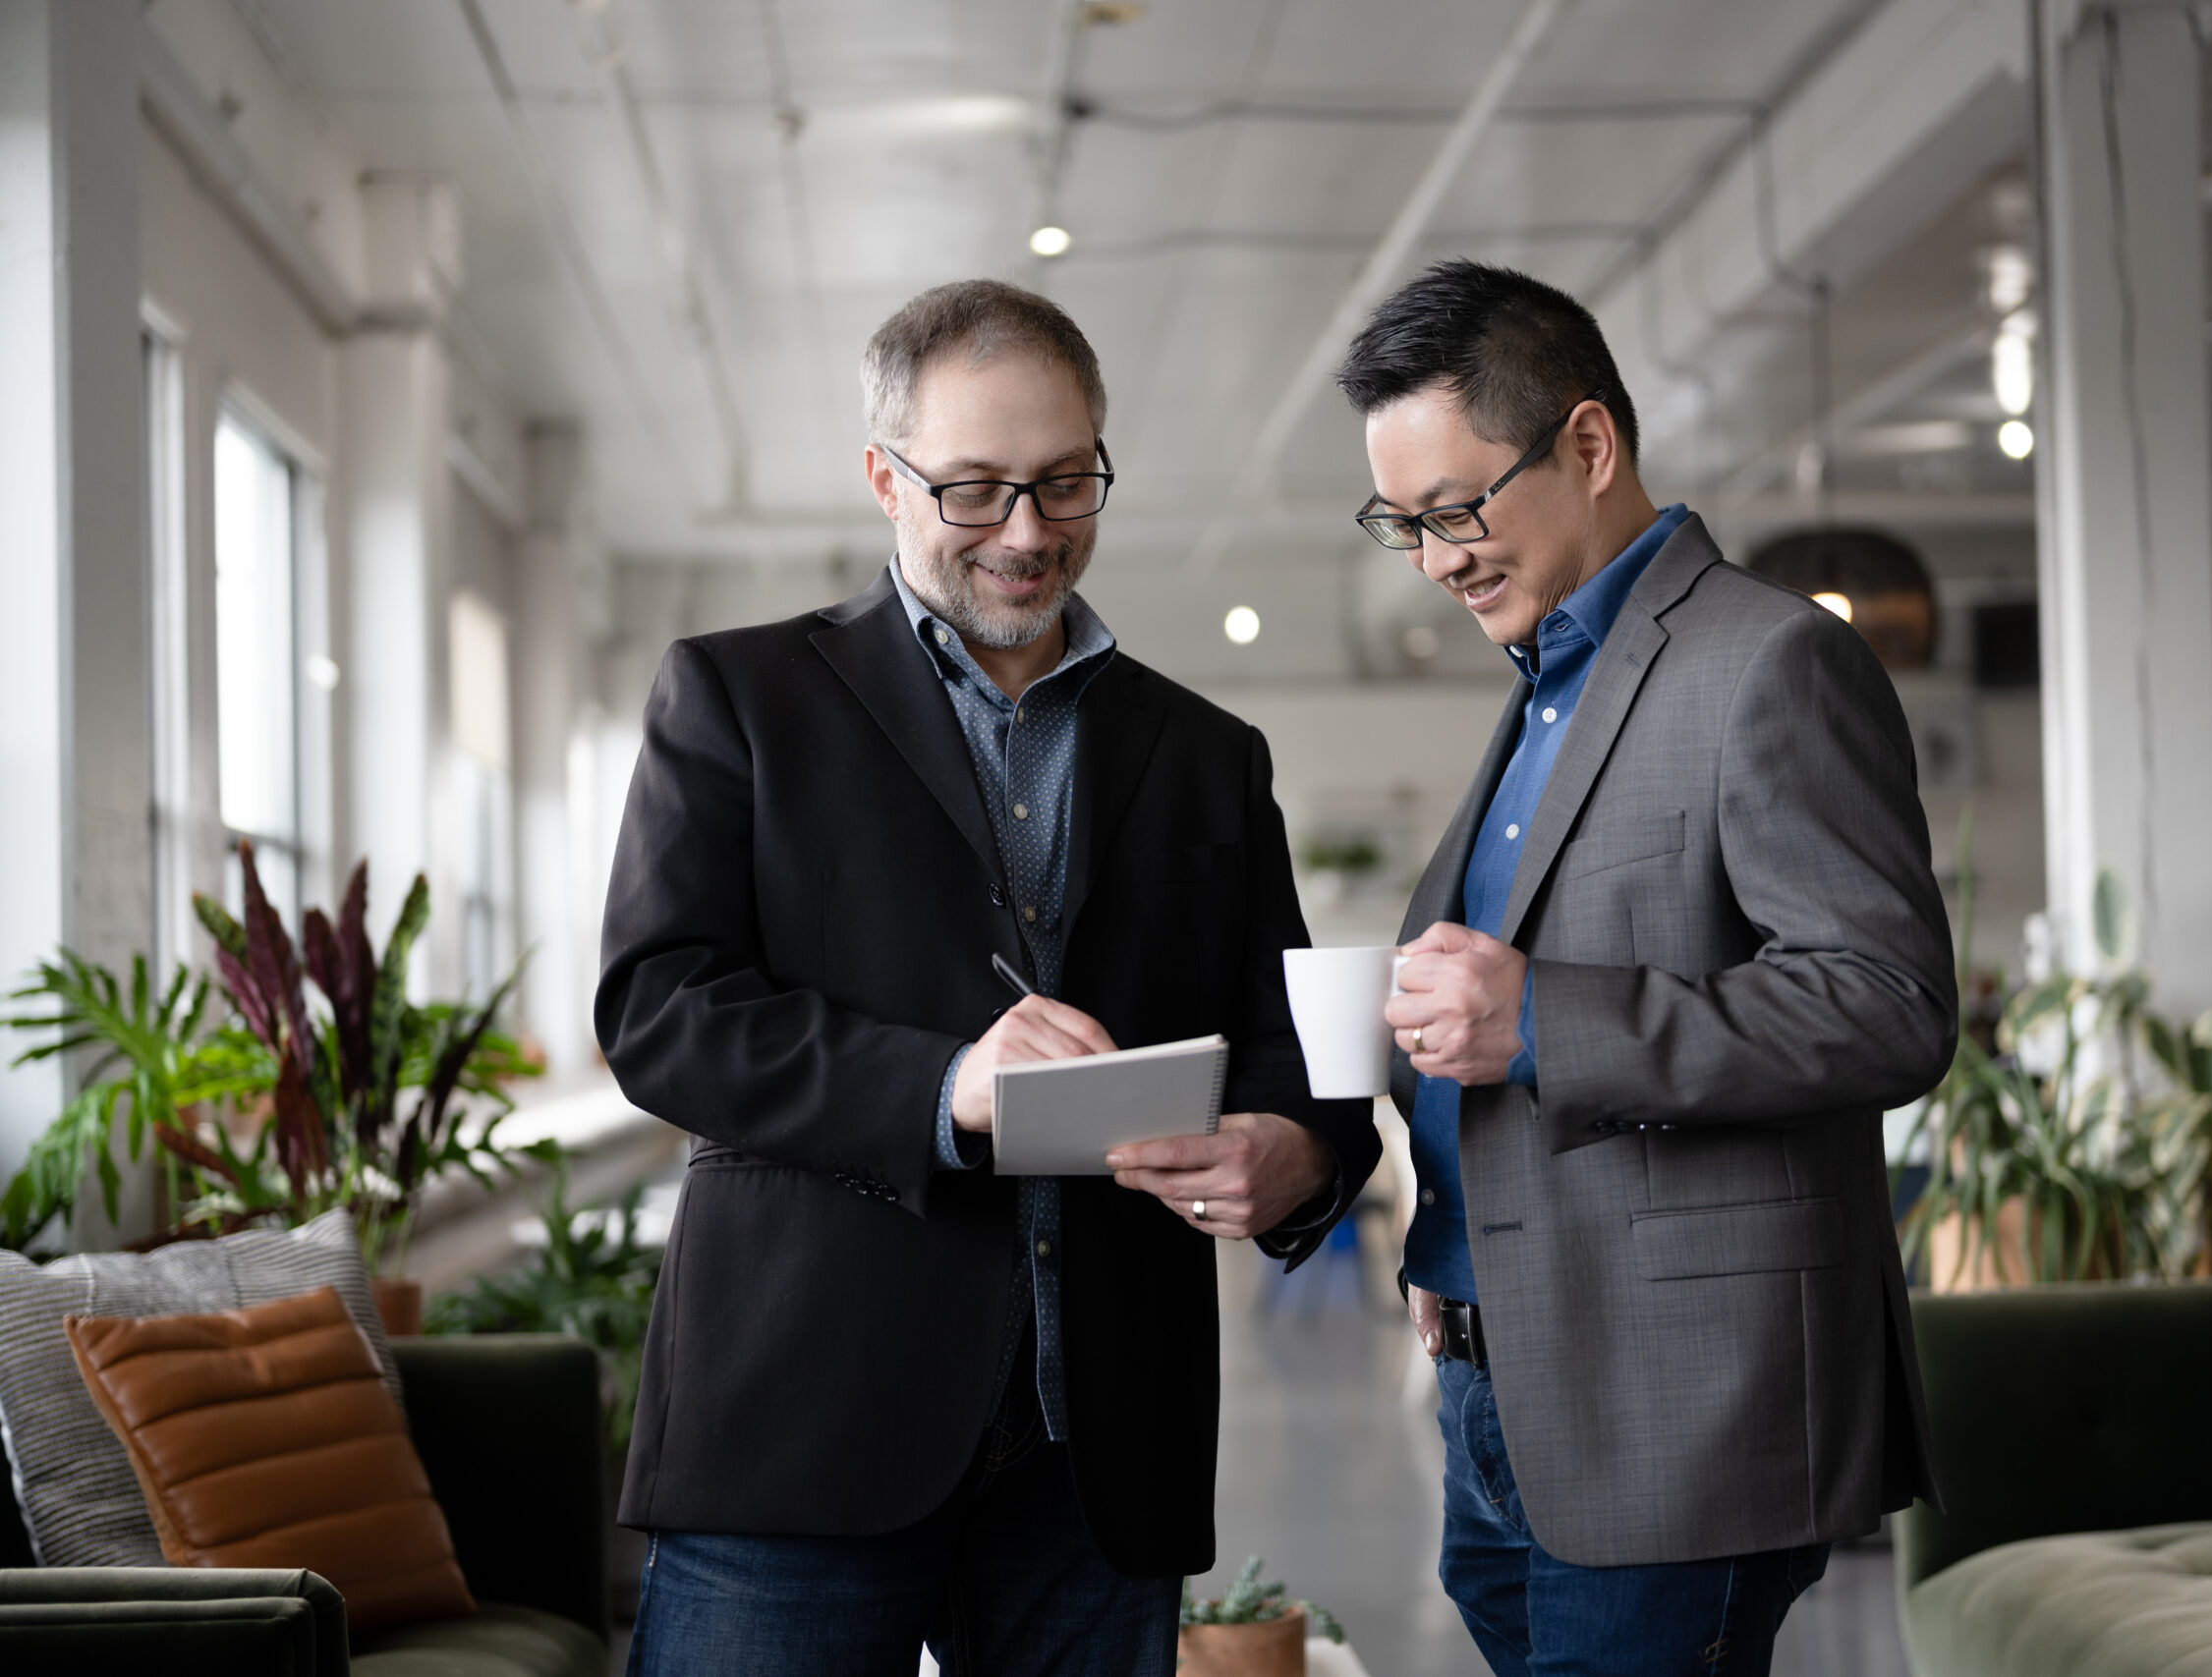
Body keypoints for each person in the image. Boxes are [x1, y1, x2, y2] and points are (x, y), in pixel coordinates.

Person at [596, 278, 1380, 1676]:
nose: (1028, 532)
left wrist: (1299, 1155)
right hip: (805, 1424)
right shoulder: (740, 700)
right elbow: (660, 1012)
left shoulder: (1207, 755)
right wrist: (949, 1083)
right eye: (974, 490)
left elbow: (1290, 1052)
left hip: (1099, 1451)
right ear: (882, 480)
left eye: (1066, 481)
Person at [1338, 259, 1957, 1677]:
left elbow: (1889, 1006)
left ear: (1589, 446)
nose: (1434, 559)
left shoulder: (1770, 664)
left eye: (1454, 510)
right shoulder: (1549, 687)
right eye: (1403, 524)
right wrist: (1453, 1225)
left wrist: (1542, 1015)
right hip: (1503, 1367)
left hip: (1680, 1402)